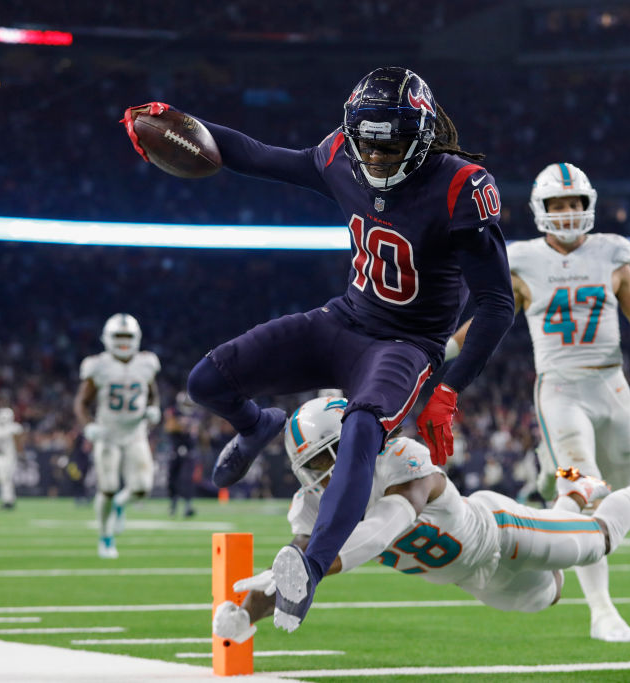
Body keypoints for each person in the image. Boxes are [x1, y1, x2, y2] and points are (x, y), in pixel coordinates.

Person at [122, 66, 515, 629]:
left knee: (361, 428)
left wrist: (449, 389)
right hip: (343, 320)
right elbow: (254, 154)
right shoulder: (338, 156)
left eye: (392, 143)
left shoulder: (459, 185)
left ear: (424, 136)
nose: (377, 157)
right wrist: (181, 124)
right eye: (368, 143)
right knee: (207, 382)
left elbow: (498, 303)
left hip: (406, 344)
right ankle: (258, 425)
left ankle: (309, 566)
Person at [212, 396, 630, 642]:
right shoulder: (309, 505)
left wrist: (315, 564)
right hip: (470, 578)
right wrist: (245, 613)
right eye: (320, 463)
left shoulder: (403, 459)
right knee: (551, 594)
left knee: (596, 542)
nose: (333, 471)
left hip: (500, 533)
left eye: (338, 454)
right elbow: (293, 571)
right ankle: (571, 496)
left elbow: (386, 525)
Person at [448, 162, 630, 642]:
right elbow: (491, 317)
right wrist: (447, 348)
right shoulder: (524, 260)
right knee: (589, 488)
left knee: (621, 492)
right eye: (559, 204)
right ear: (542, 210)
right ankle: (601, 612)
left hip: (613, 387)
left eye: (576, 203)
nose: (569, 211)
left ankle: (545, 471)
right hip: (559, 388)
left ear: (589, 205)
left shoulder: (610, 252)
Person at [74, 313, 162, 559]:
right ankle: (105, 538)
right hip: (108, 433)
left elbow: (152, 392)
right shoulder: (98, 365)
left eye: (128, 337)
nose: (123, 342)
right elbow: (81, 402)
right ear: (107, 338)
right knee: (108, 488)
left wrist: (154, 407)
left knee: (142, 488)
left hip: (135, 432)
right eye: (118, 337)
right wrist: (88, 425)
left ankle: (120, 507)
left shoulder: (146, 363)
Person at [165, 392, 199, 517]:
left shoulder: (195, 414)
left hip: (189, 452)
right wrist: (182, 425)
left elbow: (194, 431)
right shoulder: (173, 412)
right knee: (172, 479)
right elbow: (170, 427)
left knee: (187, 480)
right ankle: (173, 505)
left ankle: (188, 506)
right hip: (175, 451)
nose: (188, 406)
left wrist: (184, 424)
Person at [0, 407, 24, 509]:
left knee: (7, 479)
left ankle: (8, 500)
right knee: (2, 479)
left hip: (10, 456)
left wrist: (20, 454)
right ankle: (8, 499)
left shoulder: (14, 428)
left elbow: (19, 443)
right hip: (0, 456)